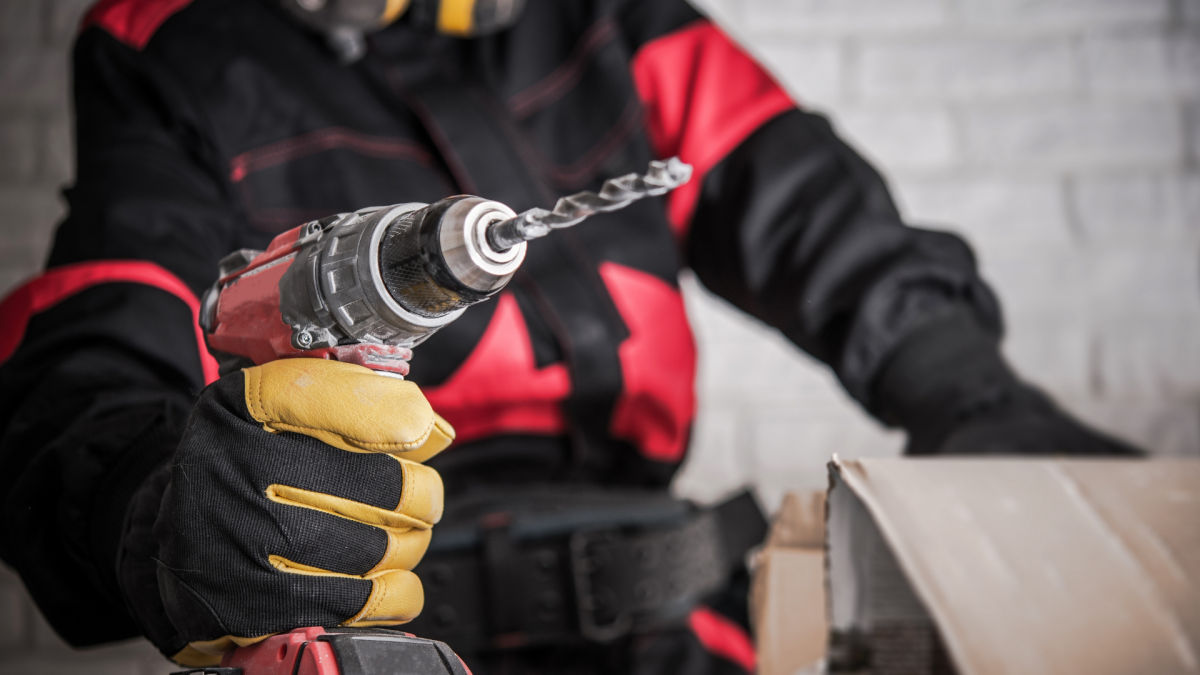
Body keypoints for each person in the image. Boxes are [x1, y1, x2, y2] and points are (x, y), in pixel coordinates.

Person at [0, 0, 1139, 673]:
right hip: (373, 626)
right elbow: (98, 335)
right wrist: (154, 510)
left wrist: (970, 395)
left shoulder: (612, 17)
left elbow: (806, 204)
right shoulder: (172, 46)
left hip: (671, 612)